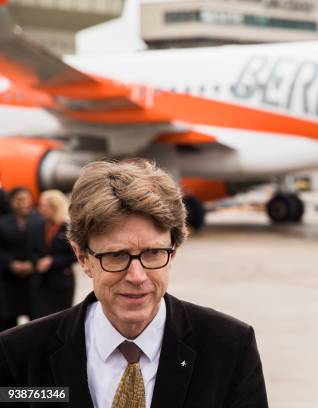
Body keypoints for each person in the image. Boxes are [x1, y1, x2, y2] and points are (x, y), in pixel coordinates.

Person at [0, 160, 268, 408]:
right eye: (116, 256)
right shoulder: (20, 354)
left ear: (173, 252)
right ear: (82, 258)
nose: (137, 276)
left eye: (153, 253)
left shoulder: (230, 348)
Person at [29, 189, 76, 320]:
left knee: (60, 319)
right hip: (41, 282)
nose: (40, 209)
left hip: (61, 282)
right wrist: (36, 261)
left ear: (54, 207)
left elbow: (74, 255)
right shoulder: (38, 226)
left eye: (43, 206)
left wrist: (53, 261)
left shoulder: (67, 228)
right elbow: (31, 251)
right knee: (40, 319)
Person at [0, 187, 42, 331]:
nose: (23, 203)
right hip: (9, 280)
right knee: (8, 323)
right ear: (11, 202)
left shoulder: (39, 220)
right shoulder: (3, 222)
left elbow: (44, 246)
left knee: (36, 323)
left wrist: (33, 263)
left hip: (34, 279)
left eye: (26, 199)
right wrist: (11, 264)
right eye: (19, 199)